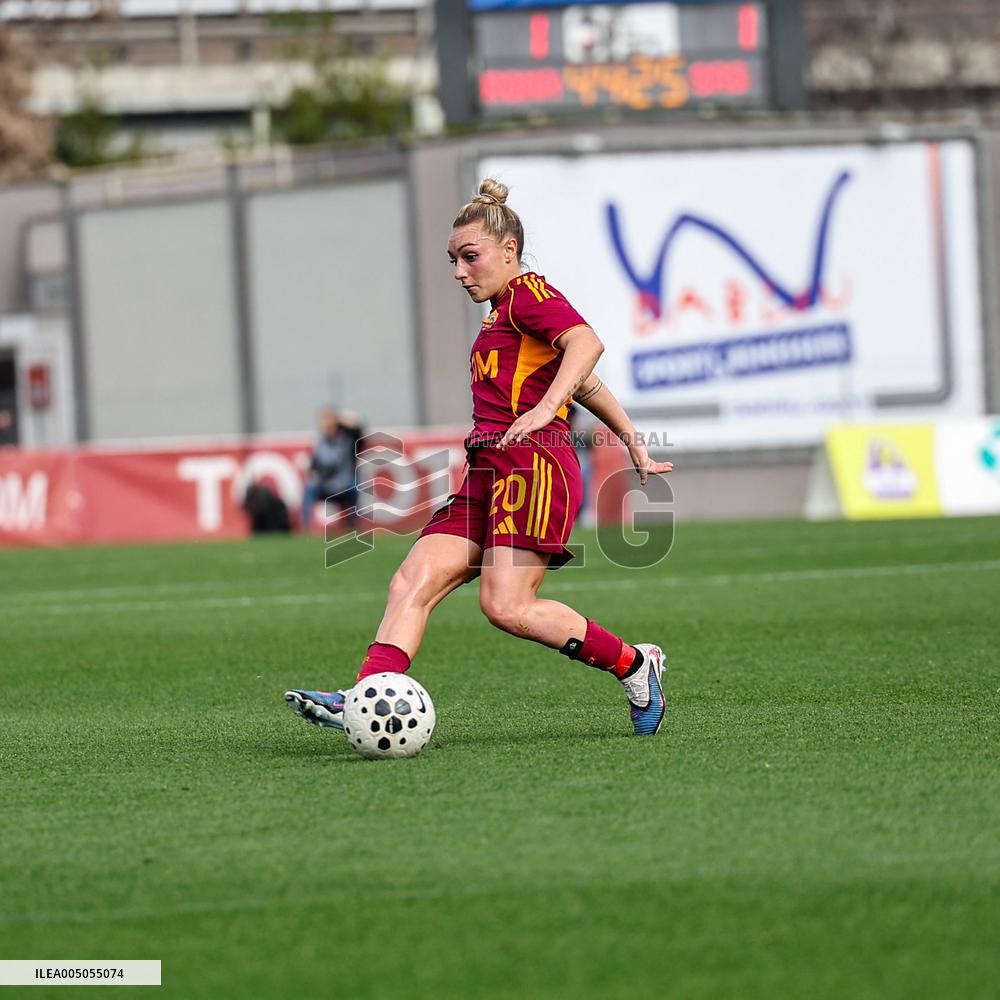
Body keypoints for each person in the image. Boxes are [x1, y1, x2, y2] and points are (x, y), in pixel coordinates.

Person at [285, 179, 674, 737]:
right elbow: (586, 383)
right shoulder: (500, 315)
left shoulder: (528, 293)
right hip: (488, 469)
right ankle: (364, 695)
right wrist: (633, 438)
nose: (459, 271)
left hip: (535, 466)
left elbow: (586, 344)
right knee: (411, 580)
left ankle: (636, 665)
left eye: (471, 257)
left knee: (507, 606)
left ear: (509, 252)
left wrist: (544, 409)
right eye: (453, 260)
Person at [301, 407, 363, 532]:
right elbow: (315, 465)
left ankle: (353, 525)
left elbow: (359, 431)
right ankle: (305, 527)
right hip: (325, 485)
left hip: (344, 485)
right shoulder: (320, 442)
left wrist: (340, 419)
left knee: (355, 485)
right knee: (310, 487)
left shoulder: (348, 439)